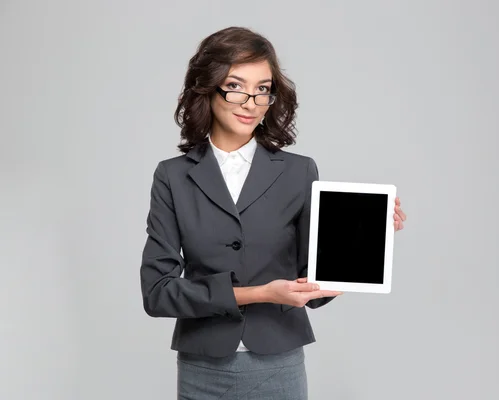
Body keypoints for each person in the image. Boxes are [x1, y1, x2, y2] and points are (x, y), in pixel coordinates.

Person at [139, 26, 407, 400]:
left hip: (278, 365)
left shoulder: (299, 171)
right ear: (206, 87)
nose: (251, 101)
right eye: (235, 85)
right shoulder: (173, 175)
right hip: (202, 367)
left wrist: (363, 240)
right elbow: (158, 294)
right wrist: (261, 293)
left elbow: (311, 289)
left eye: (263, 89)